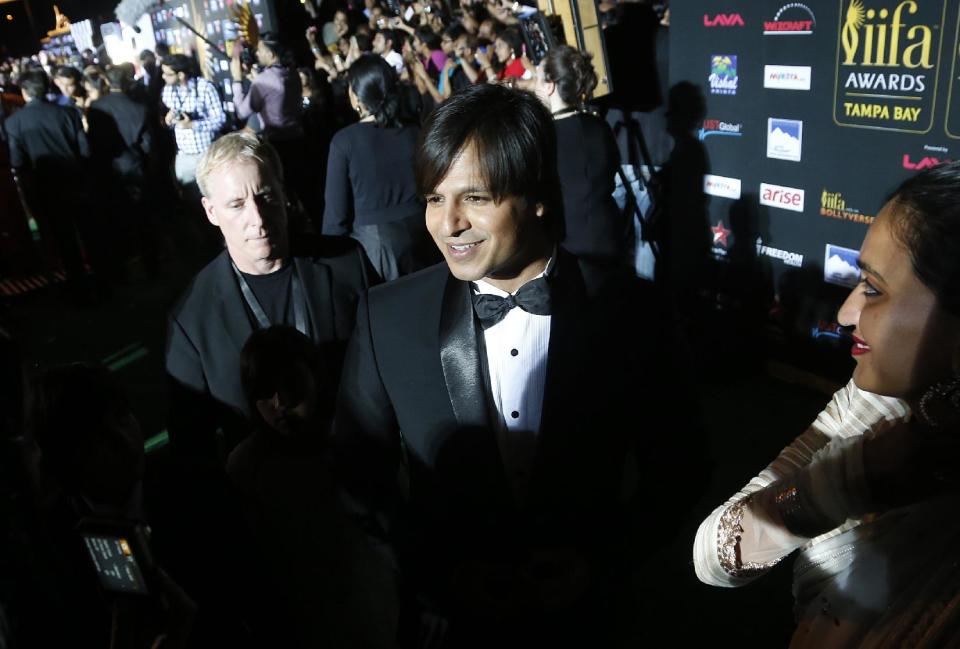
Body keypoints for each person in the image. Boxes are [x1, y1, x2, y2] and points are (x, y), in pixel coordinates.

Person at [332, 84, 693, 647]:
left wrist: (600, 562)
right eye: (433, 197)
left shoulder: (631, 312)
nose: (447, 223)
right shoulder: (388, 318)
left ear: (538, 195)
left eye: (474, 197)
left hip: (589, 623)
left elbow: (680, 467)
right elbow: (357, 476)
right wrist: (434, 571)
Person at [694, 160, 960, 647]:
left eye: (874, 289)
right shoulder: (869, 404)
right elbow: (714, 558)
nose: (844, 313)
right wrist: (844, 483)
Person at [165, 132, 372, 463]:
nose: (257, 219)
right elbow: (192, 444)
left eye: (265, 197)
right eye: (237, 205)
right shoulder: (191, 319)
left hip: (358, 468)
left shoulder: (348, 263)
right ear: (211, 211)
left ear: (283, 192)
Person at [322, 54, 438, 282]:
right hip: (425, 237)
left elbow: (336, 219)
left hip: (377, 251)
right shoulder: (415, 132)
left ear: (356, 97)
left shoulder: (344, 141)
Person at [4, 69, 96, 289]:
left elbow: (18, 162)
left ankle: (78, 287)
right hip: (76, 181)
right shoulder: (68, 113)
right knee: (89, 232)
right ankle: (102, 280)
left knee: (63, 238)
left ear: (25, 92)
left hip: (46, 187)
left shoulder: (14, 123)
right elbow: (85, 150)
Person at [534, 45, 623, 263]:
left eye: (537, 79)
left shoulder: (544, 135)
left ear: (549, 86)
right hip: (610, 236)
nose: (533, 87)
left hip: (568, 246)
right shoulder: (601, 126)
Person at [86, 65, 158, 276]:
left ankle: (122, 270)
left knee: (116, 220)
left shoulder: (97, 108)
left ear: (107, 82)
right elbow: (148, 145)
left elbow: (93, 143)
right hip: (135, 168)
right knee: (144, 220)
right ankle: (151, 266)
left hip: (109, 171)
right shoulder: (139, 108)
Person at [160, 53, 226, 194]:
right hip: (184, 155)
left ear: (181, 75)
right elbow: (172, 122)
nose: (163, 77)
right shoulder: (168, 90)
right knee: (188, 196)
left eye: (167, 74)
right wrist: (169, 120)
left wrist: (193, 125)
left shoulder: (205, 88)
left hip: (207, 153)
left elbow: (220, 120)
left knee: (214, 194)